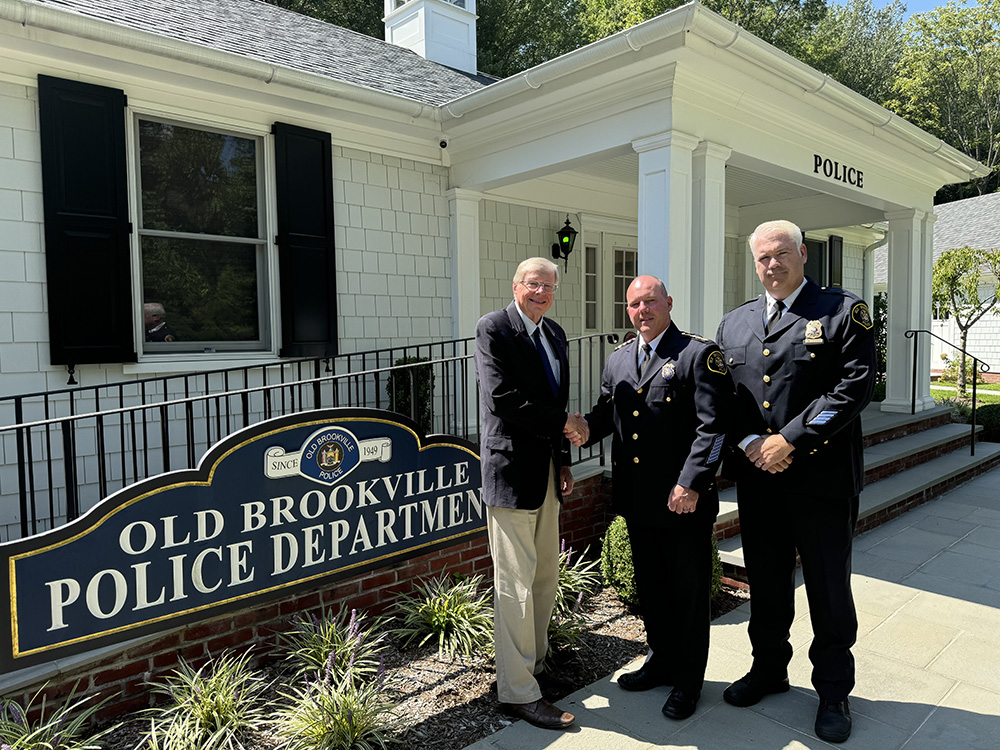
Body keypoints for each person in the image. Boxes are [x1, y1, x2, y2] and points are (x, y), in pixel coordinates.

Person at [715, 220, 876, 744]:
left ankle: (833, 690)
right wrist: (749, 445)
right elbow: (724, 401)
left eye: (781, 254)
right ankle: (769, 670)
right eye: (762, 257)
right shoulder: (735, 324)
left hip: (822, 481)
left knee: (828, 588)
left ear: (803, 254)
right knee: (765, 582)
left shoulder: (840, 311)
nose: (772, 265)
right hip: (760, 482)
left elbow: (856, 386)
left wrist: (790, 439)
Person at [580, 275, 732, 721]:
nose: (641, 311)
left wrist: (692, 482)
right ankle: (661, 661)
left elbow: (715, 427)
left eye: (650, 301)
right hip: (639, 500)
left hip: (683, 499)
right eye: (633, 305)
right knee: (653, 590)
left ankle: (689, 681)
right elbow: (609, 412)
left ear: (668, 302)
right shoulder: (620, 358)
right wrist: (582, 429)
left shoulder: (697, 354)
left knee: (687, 593)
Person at [474, 257, 589, 730]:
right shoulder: (494, 328)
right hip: (510, 472)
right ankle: (517, 692)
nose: (541, 292)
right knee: (514, 584)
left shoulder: (555, 333)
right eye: (533, 284)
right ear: (516, 285)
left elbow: (556, 399)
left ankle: (534, 668)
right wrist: (564, 424)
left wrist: (562, 458)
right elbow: (502, 398)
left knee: (544, 576)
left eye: (549, 286)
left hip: (544, 470)